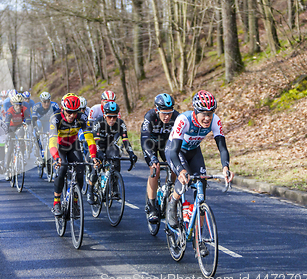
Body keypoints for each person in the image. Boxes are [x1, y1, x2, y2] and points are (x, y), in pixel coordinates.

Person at [165, 90, 233, 255]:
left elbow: (222, 147)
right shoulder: (184, 120)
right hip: (176, 151)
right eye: (204, 114)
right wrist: (180, 171)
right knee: (184, 181)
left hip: (194, 151)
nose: (208, 118)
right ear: (195, 111)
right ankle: (172, 203)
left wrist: (226, 167)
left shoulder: (215, 121)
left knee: (201, 188)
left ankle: (198, 238)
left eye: (210, 114)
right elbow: (173, 151)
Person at [50, 93, 100, 216]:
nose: (72, 115)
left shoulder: (82, 117)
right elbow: (51, 141)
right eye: (69, 112)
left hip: (73, 145)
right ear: (63, 108)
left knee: (80, 170)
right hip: (59, 146)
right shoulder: (56, 118)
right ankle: (56, 203)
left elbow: (89, 138)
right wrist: (56, 158)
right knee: (62, 168)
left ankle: (75, 202)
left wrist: (93, 156)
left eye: (75, 112)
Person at [87, 102, 138, 204]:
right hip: (98, 145)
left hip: (110, 145)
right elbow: (96, 140)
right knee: (96, 165)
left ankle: (114, 186)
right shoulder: (99, 122)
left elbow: (125, 140)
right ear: (105, 115)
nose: (112, 120)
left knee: (116, 156)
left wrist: (131, 153)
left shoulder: (120, 124)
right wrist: (99, 153)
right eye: (109, 117)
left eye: (114, 117)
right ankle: (90, 190)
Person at [141, 93, 180, 223]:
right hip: (150, 144)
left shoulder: (177, 117)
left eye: (169, 112)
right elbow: (145, 139)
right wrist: (152, 158)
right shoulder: (150, 117)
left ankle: (169, 187)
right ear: (157, 110)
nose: (167, 116)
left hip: (166, 145)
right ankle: (152, 206)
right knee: (155, 169)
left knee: (175, 166)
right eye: (164, 113)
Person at [4, 93, 31, 177]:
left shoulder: (25, 109)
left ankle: (21, 156)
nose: (18, 107)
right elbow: (7, 123)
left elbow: (28, 119)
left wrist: (27, 122)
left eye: (20, 105)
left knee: (21, 139)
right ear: (13, 104)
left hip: (19, 126)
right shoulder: (10, 111)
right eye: (16, 105)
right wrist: (7, 133)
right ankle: (7, 168)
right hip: (11, 128)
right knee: (11, 148)